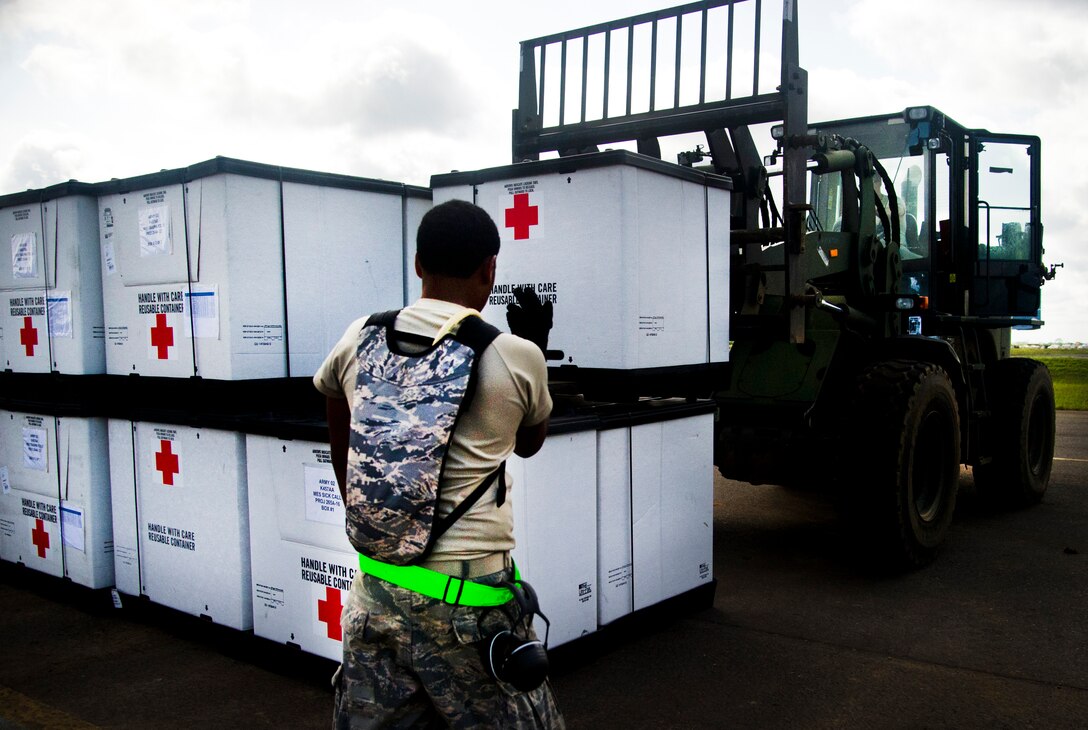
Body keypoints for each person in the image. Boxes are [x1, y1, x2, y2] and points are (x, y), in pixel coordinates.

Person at [313, 199, 564, 728]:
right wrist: (535, 347)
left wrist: (360, 502)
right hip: (468, 607)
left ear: (418, 264)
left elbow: (334, 398)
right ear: (490, 269)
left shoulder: (361, 335)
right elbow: (530, 442)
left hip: (375, 592)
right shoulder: (514, 355)